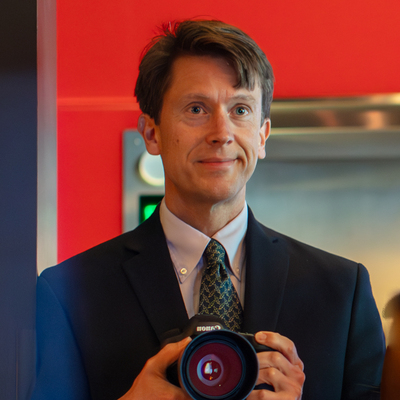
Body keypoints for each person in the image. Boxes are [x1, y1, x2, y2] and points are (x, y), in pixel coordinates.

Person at [31, 20, 385, 400]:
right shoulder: (70, 294)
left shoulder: (342, 293)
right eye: (197, 108)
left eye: (240, 109)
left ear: (262, 135)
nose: (221, 133)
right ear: (151, 133)